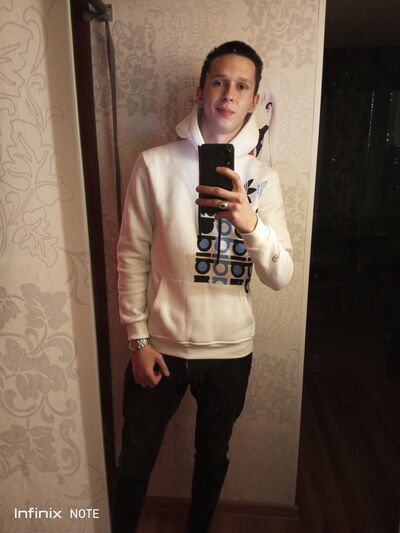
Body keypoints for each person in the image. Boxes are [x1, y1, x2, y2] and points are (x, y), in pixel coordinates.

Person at [112, 41, 293, 533]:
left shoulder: (264, 179)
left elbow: (281, 277)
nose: (228, 94)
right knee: (135, 458)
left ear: (254, 101)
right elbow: (131, 254)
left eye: (242, 86)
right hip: (160, 346)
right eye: (219, 81)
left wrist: (251, 223)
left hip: (231, 352)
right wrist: (137, 339)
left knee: (213, 457)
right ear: (200, 91)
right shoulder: (154, 164)